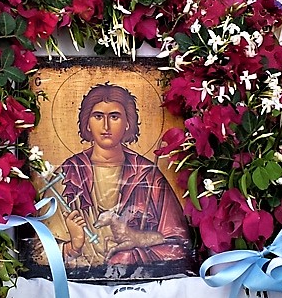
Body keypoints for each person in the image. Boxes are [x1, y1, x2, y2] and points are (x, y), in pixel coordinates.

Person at [41, 83, 195, 278]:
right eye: (98, 116)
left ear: (128, 123)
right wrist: (74, 245)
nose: (106, 126)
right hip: (76, 286)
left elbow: (180, 246)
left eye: (114, 117)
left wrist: (136, 242)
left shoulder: (148, 175)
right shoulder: (67, 175)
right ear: (87, 123)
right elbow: (37, 254)